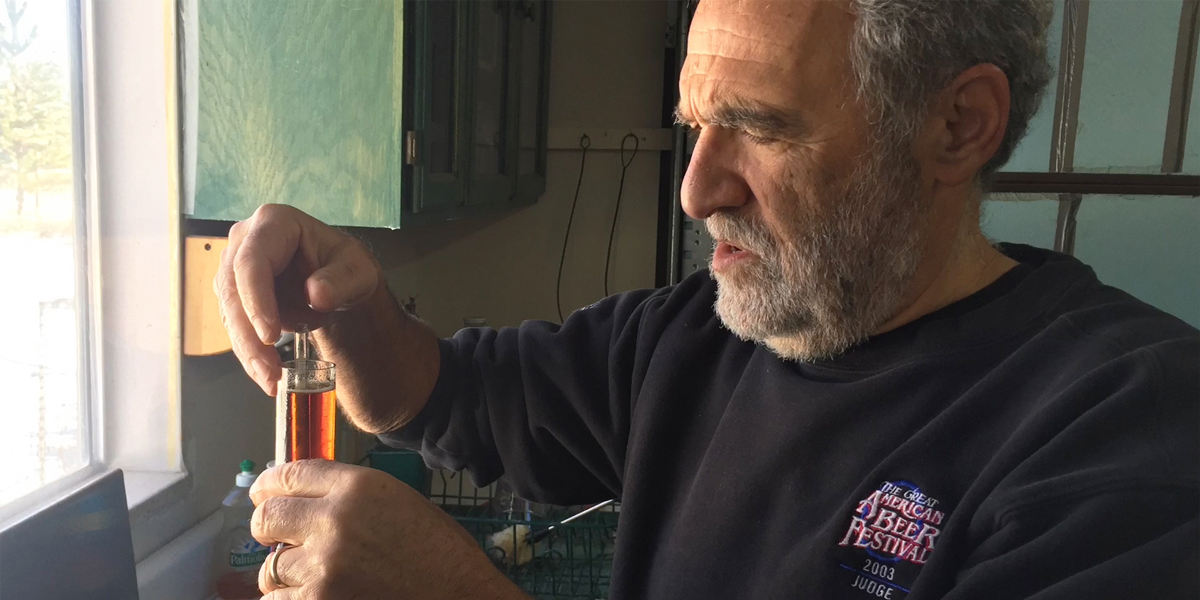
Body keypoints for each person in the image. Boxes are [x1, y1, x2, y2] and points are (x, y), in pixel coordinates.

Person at [217, 0, 1199, 598]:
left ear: (958, 124)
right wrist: (354, 309)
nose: (696, 189)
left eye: (759, 128)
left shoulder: (1126, 429)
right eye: (695, 125)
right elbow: (443, 396)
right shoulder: (692, 341)